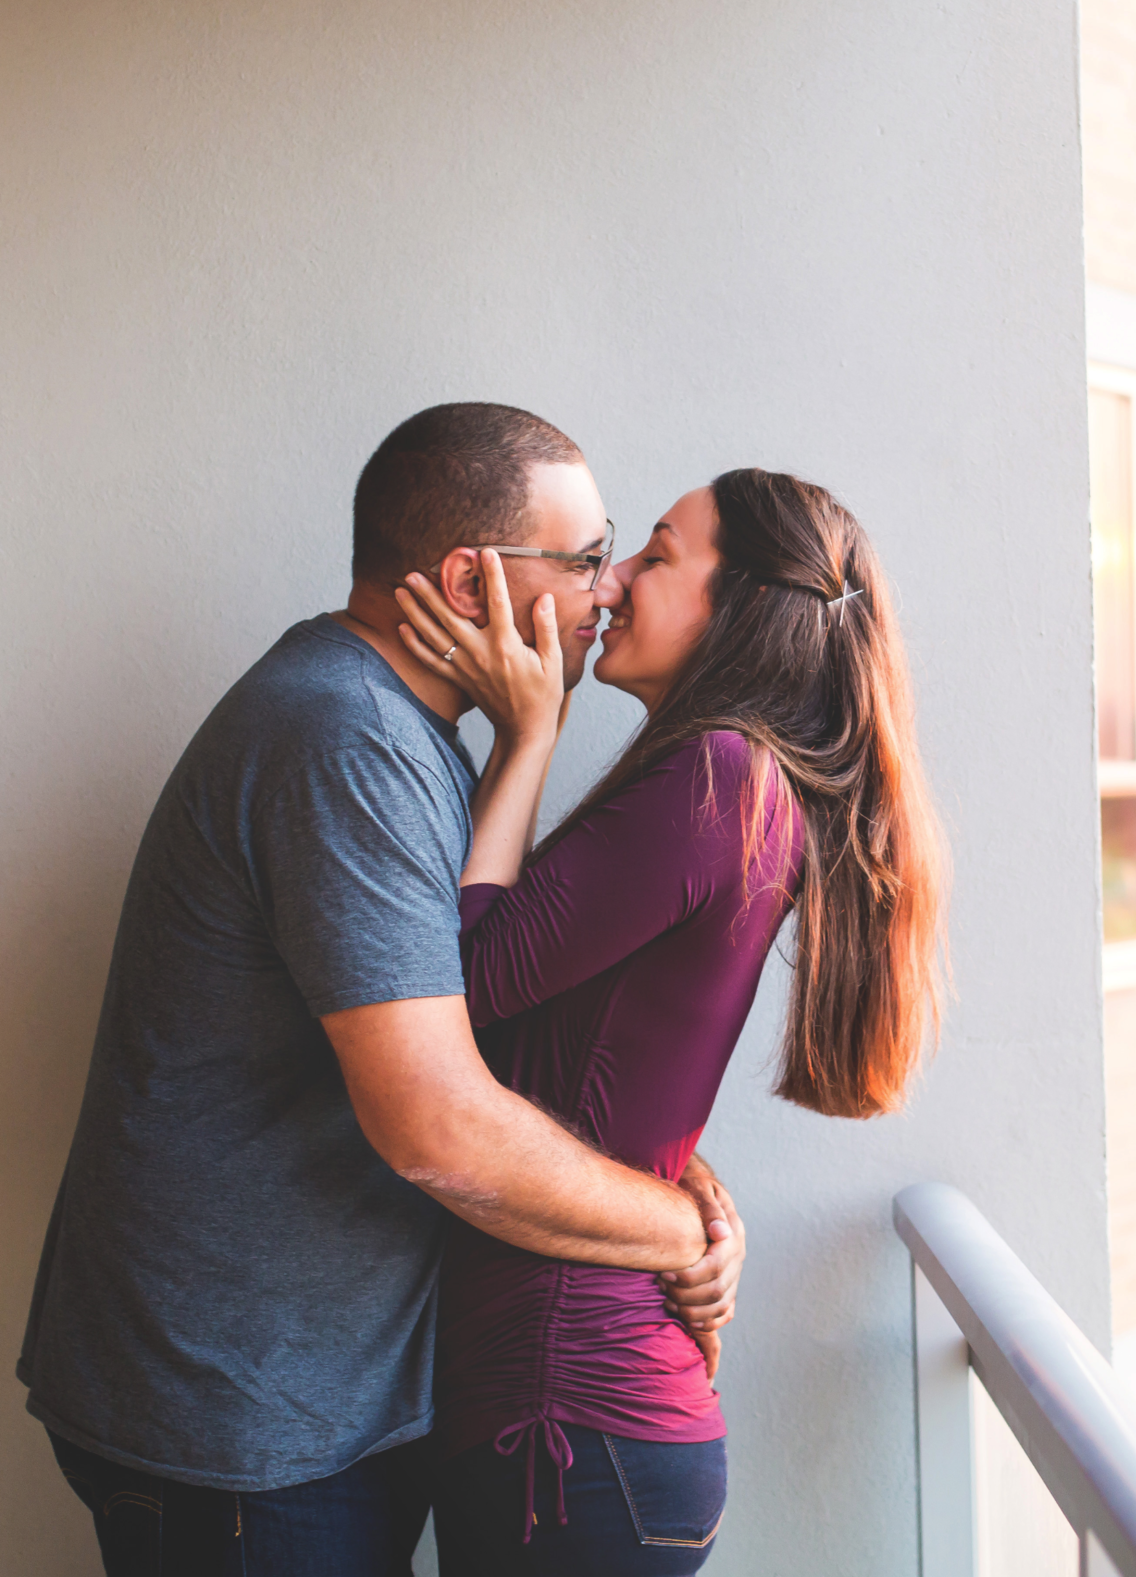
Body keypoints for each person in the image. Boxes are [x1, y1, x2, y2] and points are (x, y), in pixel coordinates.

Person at [18, 403, 748, 1575]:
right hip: (243, 1427)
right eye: (584, 557)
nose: (605, 590)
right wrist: (674, 1227)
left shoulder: (403, 733)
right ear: (470, 581)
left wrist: (679, 1178)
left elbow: (481, 1035)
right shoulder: (345, 743)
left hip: (300, 1397)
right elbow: (440, 1124)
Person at [386, 467, 948, 1573]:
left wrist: (527, 736)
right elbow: (598, 1058)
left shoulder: (718, 779)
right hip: (576, 1424)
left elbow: (454, 981)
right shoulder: (726, 780)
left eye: (654, 552)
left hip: (567, 1424)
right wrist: (689, 1197)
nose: (619, 580)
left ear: (736, 605)